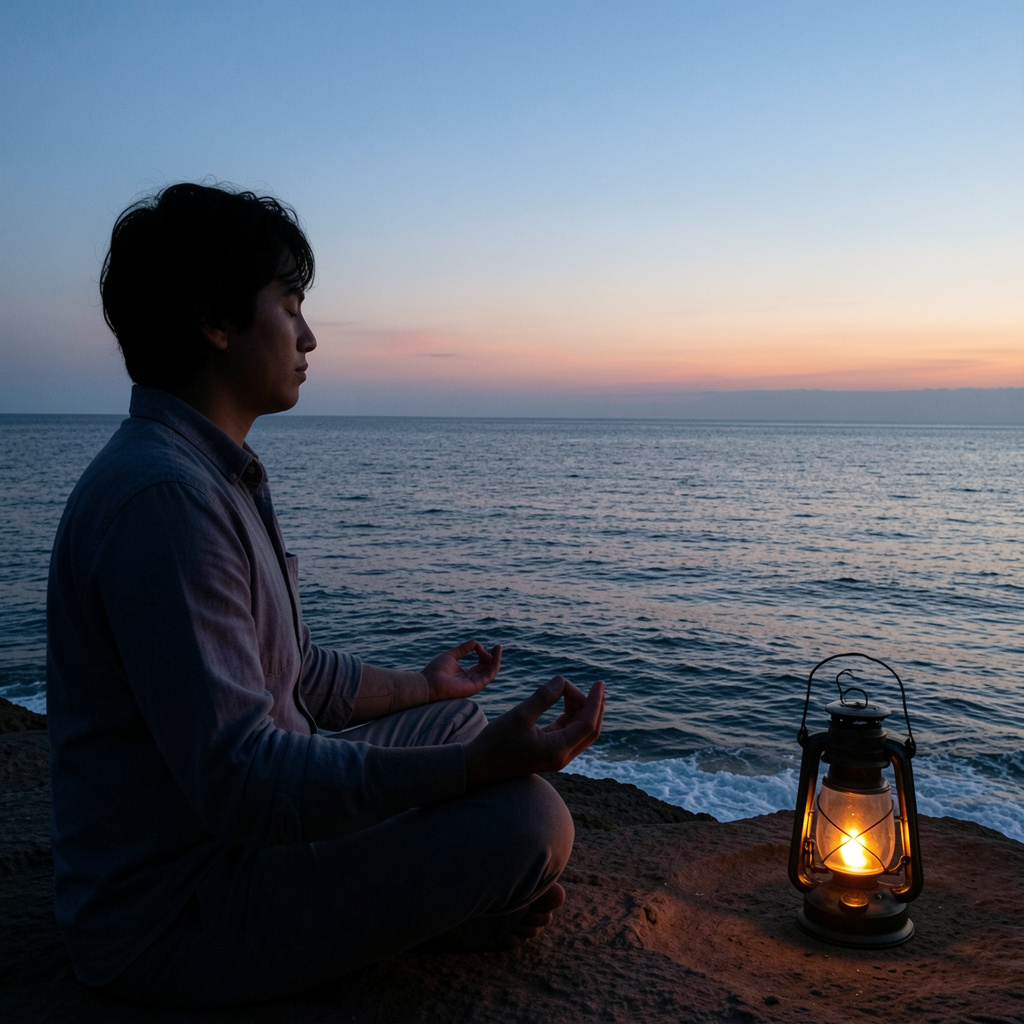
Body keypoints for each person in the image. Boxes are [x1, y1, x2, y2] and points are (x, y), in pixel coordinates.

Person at [46, 182, 605, 1008]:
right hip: (177, 917)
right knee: (530, 825)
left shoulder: (213, 475)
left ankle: (415, 907)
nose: (309, 335)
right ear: (216, 320)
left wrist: (428, 686)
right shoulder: (164, 500)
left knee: (454, 723)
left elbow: (295, 676)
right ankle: (416, 922)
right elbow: (241, 780)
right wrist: (471, 769)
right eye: (290, 303)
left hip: (234, 853)